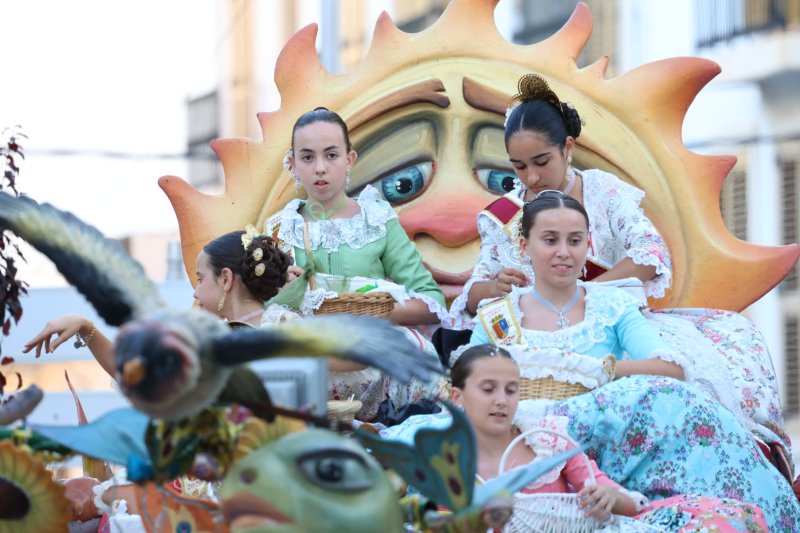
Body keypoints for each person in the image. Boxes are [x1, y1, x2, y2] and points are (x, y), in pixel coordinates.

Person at [448, 73, 792, 479]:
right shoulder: (502, 217)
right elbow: (472, 294)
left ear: (568, 148)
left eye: (542, 162)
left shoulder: (603, 193)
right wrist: (492, 288)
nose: (532, 178)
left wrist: (583, 294)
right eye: (519, 167)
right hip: (530, 342)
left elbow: (650, 253)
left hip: (612, 326)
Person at [386, 345, 786, 531]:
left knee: (724, 523)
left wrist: (610, 498)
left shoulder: (547, 440)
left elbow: (616, 498)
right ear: (457, 397)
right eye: (487, 389)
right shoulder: (443, 462)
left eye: (511, 389)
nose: (501, 400)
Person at [265, 107, 447, 419]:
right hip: (306, 373)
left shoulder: (377, 220)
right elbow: (261, 307)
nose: (320, 168)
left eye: (331, 155)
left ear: (349, 159)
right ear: (292, 164)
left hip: (375, 370)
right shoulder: (279, 229)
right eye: (308, 157)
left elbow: (431, 301)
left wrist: (370, 310)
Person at [22, 230, 292, 377]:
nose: (196, 293)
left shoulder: (281, 326)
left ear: (225, 279)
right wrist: (85, 328)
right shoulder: (203, 336)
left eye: (200, 279)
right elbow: (138, 376)